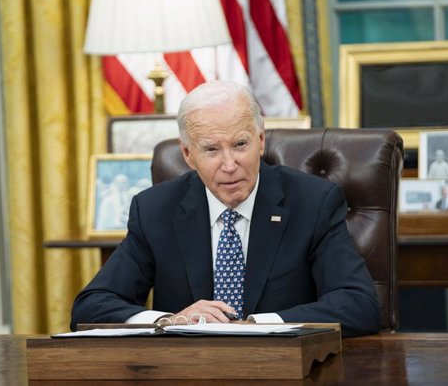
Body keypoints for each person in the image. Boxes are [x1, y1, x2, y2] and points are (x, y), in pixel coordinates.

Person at [71, 81, 380, 337]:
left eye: (240, 145)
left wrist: (255, 325)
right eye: (211, 149)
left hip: (283, 370)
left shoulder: (312, 202)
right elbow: (91, 306)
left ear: (260, 141)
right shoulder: (155, 209)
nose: (230, 165)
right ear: (188, 154)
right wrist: (170, 320)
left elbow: (358, 305)